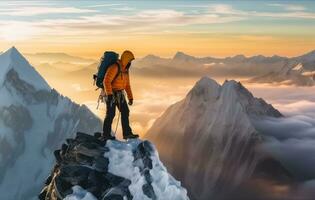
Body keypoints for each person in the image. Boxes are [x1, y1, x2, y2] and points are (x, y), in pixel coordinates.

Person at [102, 50, 139, 140]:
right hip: (110, 93)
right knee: (111, 114)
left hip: (119, 94)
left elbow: (127, 85)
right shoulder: (115, 67)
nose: (130, 63)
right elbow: (106, 81)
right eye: (130, 60)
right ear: (126, 59)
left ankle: (127, 133)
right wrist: (110, 95)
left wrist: (130, 97)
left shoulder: (125, 70)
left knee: (125, 111)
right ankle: (106, 135)